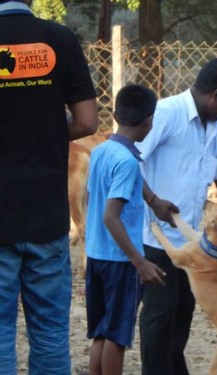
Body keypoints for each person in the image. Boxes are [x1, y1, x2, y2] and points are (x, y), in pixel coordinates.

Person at [137, 57, 217, 375]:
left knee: (182, 314)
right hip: (155, 239)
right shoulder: (166, 114)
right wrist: (152, 200)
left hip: (195, 242)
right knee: (159, 317)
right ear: (215, 94)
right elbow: (127, 160)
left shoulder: (212, 125)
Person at [0, 1, 98, 374]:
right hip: (46, 215)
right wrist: (45, 135)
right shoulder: (59, 38)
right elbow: (88, 121)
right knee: (51, 332)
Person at [85, 84, 167, 375]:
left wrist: (153, 200)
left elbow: (96, 199)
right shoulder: (128, 163)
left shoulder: (100, 151)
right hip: (120, 262)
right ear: (148, 120)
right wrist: (140, 262)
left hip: (95, 257)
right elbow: (111, 216)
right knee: (117, 337)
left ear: (117, 114)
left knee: (101, 332)